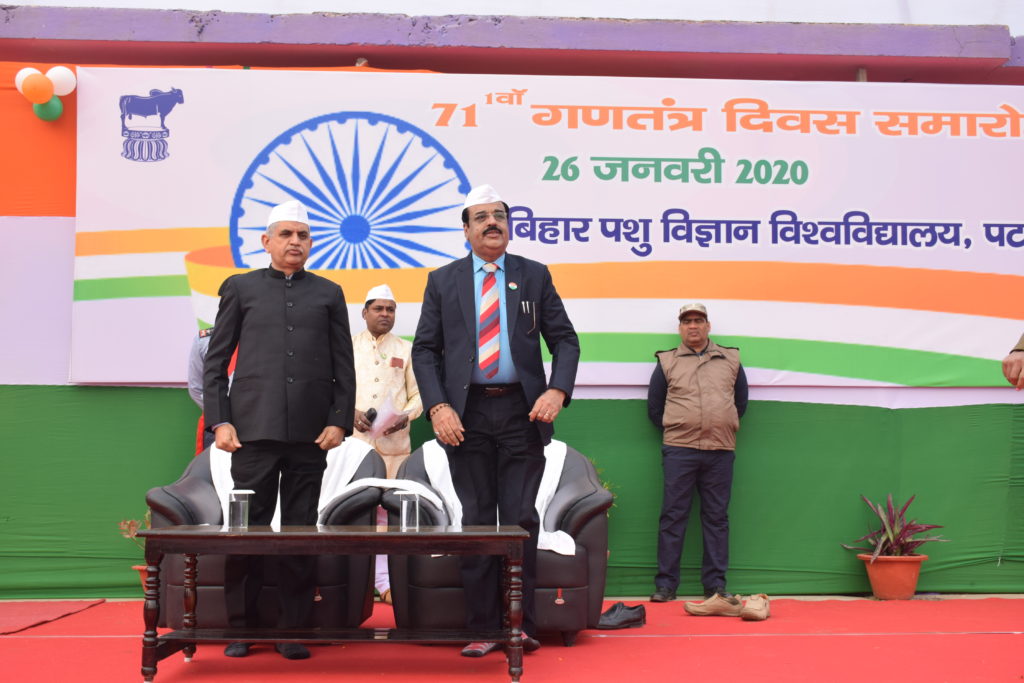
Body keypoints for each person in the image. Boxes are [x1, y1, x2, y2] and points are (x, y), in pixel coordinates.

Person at [411, 184, 580, 657]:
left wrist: (556, 390)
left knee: (521, 518)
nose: (492, 223)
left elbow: (565, 340)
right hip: (464, 415)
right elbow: (425, 350)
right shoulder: (443, 280)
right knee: (478, 520)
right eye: (482, 217)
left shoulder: (533, 275)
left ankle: (519, 625)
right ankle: (483, 627)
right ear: (465, 230)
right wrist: (438, 406)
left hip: (521, 412)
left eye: (500, 215)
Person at [203, 199, 355, 660]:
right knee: (246, 532)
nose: (295, 242)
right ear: (266, 241)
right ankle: (242, 628)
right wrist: (220, 420)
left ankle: (293, 628)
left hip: (311, 434)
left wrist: (338, 420)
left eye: (302, 235)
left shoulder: (328, 293)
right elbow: (216, 361)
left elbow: (343, 365)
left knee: (299, 532)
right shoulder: (241, 287)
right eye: (286, 234)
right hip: (252, 432)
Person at [647, 303, 749, 616]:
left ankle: (715, 586)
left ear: (708, 326)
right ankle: (666, 585)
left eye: (698, 320)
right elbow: (655, 408)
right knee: (673, 516)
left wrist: (721, 425)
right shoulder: (667, 361)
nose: (693, 326)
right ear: (680, 328)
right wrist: (681, 427)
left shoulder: (730, 359)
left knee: (717, 518)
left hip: (720, 450)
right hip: (679, 450)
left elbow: (740, 403)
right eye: (687, 321)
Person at [350, 283, 423, 603]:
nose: (385, 314)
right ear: (364, 312)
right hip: (353, 447)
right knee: (355, 513)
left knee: (388, 516)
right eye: (378, 308)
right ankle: (357, 582)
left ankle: (387, 581)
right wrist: (349, 413)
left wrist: (405, 416)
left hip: (395, 448)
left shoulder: (406, 349)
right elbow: (334, 391)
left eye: (390, 309)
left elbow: (419, 395)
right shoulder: (346, 347)